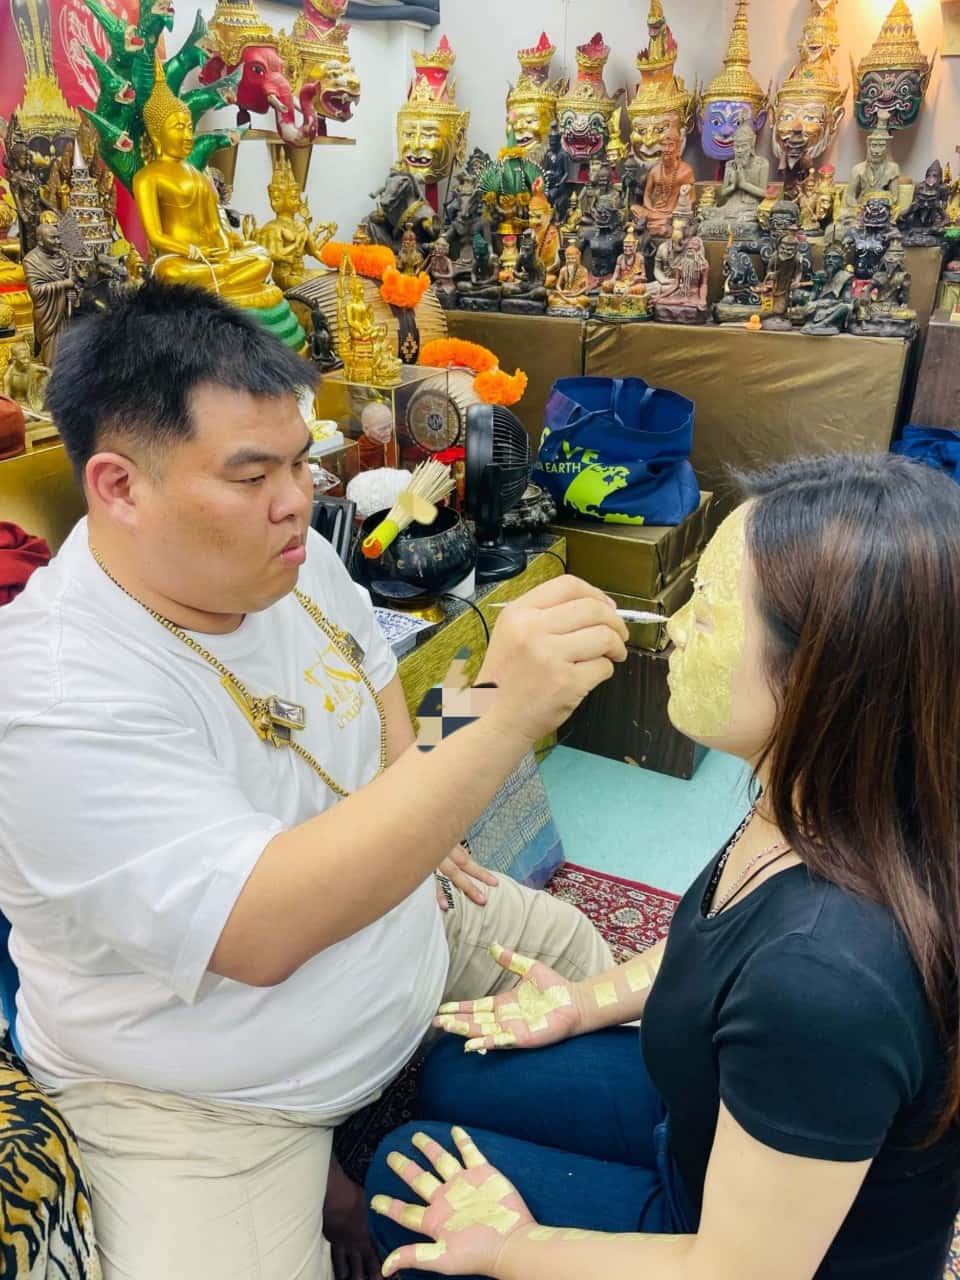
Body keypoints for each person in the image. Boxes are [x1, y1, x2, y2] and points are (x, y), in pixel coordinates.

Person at [0, 281, 627, 1280]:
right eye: (253, 474)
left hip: (407, 922)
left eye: (299, 460)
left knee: (601, 982)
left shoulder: (292, 558)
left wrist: (441, 776)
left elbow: (391, 723)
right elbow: (260, 931)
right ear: (119, 487)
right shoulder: (52, 697)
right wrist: (499, 712)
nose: (296, 498)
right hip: (207, 1090)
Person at [367, 453, 960, 1280]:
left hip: (746, 1246)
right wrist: (583, 1002)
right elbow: (722, 936)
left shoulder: (824, 976)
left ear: (824, 677)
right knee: (455, 1080)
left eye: (706, 612)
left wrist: (510, 1249)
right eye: (255, 474)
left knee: (399, 1167)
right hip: (701, 1122)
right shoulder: (828, 797)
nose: (672, 627)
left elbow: (742, 1271)